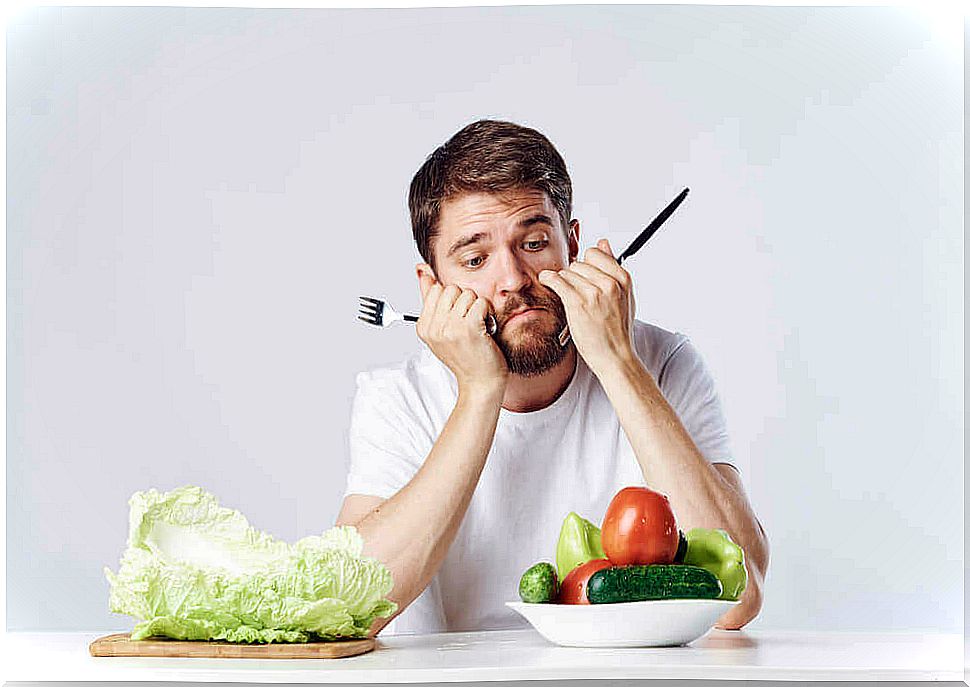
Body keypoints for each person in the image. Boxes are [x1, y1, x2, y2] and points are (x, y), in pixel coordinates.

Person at [335, 119, 769, 635]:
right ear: (432, 288)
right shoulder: (396, 398)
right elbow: (348, 606)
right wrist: (478, 392)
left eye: (535, 243)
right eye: (475, 259)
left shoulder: (663, 362)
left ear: (573, 245)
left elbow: (738, 599)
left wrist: (619, 363)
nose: (513, 280)